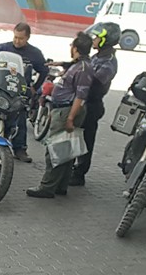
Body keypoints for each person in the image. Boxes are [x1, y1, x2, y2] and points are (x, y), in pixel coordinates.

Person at [26, 32, 95, 198]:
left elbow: (80, 96)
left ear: (76, 48)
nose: (70, 48)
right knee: (66, 149)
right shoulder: (80, 65)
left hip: (67, 111)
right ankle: (60, 185)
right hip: (63, 109)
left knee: (55, 149)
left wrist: (70, 117)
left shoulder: (83, 69)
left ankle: (47, 187)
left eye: (72, 45)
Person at [0, 22, 48, 163]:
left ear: (28, 37)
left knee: (20, 118)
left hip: (20, 91)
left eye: (21, 38)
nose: (17, 41)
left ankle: (19, 149)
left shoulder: (35, 53)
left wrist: (35, 86)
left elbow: (44, 70)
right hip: (1, 89)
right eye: (15, 37)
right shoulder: (4, 48)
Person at [69, 22, 120, 186]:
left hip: (91, 104)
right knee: (74, 137)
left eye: (97, 37)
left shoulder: (109, 62)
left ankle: (79, 174)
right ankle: (69, 169)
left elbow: (93, 82)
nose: (94, 39)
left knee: (85, 140)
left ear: (106, 40)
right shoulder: (97, 57)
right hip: (82, 101)